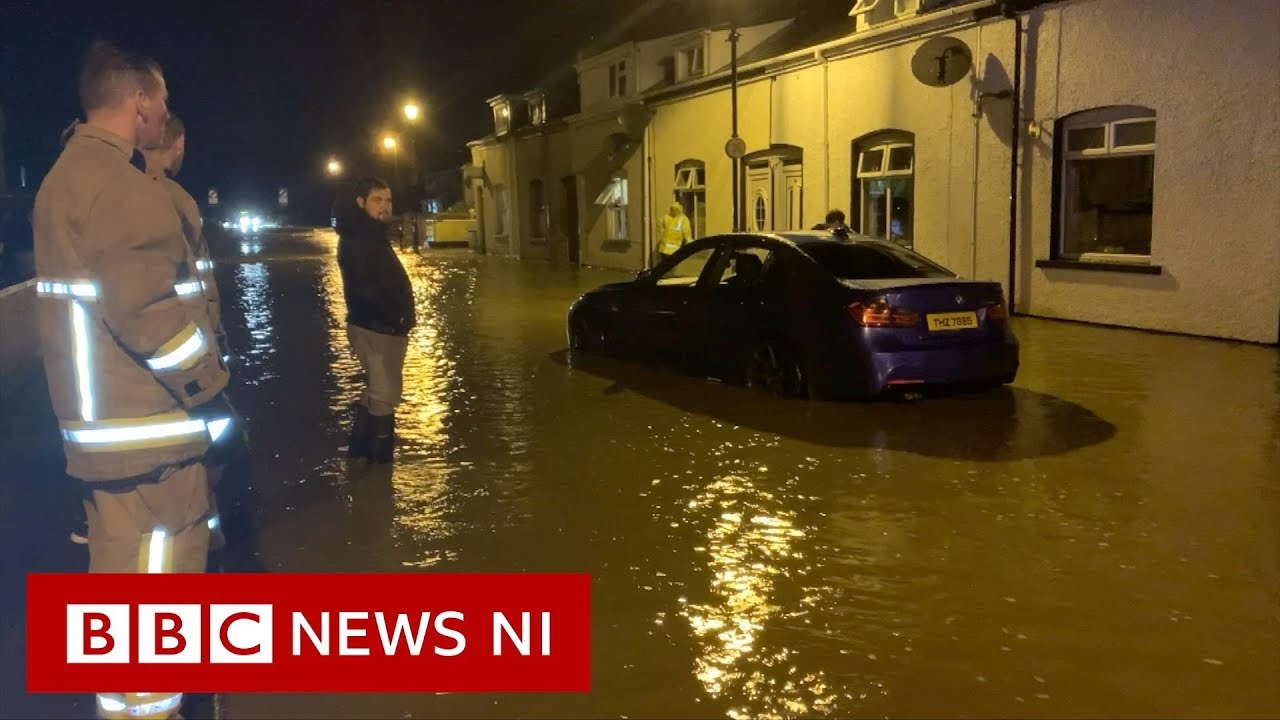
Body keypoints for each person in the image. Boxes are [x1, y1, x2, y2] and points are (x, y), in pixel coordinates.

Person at [32, 39, 240, 720]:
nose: (166, 116)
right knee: (155, 610)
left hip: (105, 435)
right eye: (164, 102)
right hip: (146, 441)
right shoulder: (120, 187)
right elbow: (148, 311)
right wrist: (210, 384)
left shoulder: (68, 176)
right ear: (141, 102)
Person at [143, 111, 241, 553]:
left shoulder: (98, 193)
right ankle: (211, 544)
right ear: (177, 145)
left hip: (141, 387)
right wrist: (210, 374)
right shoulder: (171, 199)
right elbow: (195, 298)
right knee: (210, 462)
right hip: (188, 371)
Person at [336, 177, 415, 463]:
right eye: (377, 200)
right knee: (385, 395)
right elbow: (365, 289)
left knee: (377, 392)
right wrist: (395, 318)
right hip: (377, 329)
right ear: (361, 202)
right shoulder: (360, 238)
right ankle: (381, 472)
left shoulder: (369, 233)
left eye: (388, 200)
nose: (384, 206)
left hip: (380, 327)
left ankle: (358, 457)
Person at [655, 201, 692, 265]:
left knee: (670, 267)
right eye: (672, 209)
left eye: (675, 209)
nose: (673, 211)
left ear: (679, 210)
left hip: (674, 250)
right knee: (665, 267)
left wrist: (689, 243)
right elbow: (660, 227)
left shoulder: (683, 219)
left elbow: (687, 233)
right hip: (664, 249)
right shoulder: (666, 217)